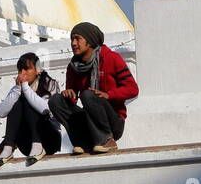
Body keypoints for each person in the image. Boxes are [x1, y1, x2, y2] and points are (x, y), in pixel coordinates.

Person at [48, 22, 138, 154]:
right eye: (72, 39)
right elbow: (73, 100)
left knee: (87, 95)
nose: (73, 43)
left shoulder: (112, 58)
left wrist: (109, 95)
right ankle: (83, 142)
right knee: (55, 100)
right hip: (89, 120)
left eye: (78, 38)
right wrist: (69, 94)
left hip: (113, 122)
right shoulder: (73, 67)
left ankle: (107, 140)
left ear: (90, 41)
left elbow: (133, 89)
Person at [0, 52, 63, 167]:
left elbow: (45, 109)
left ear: (37, 70)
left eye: (26, 69)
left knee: (30, 102)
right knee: (17, 103)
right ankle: (8, 147)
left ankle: (38, 146)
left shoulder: (50, 84)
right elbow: (1, 112)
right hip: (26, 143)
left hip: (49, 138)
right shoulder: (17, 89)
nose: (22, 73)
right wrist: (17, 90)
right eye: (20, 70)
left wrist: (25, 88)